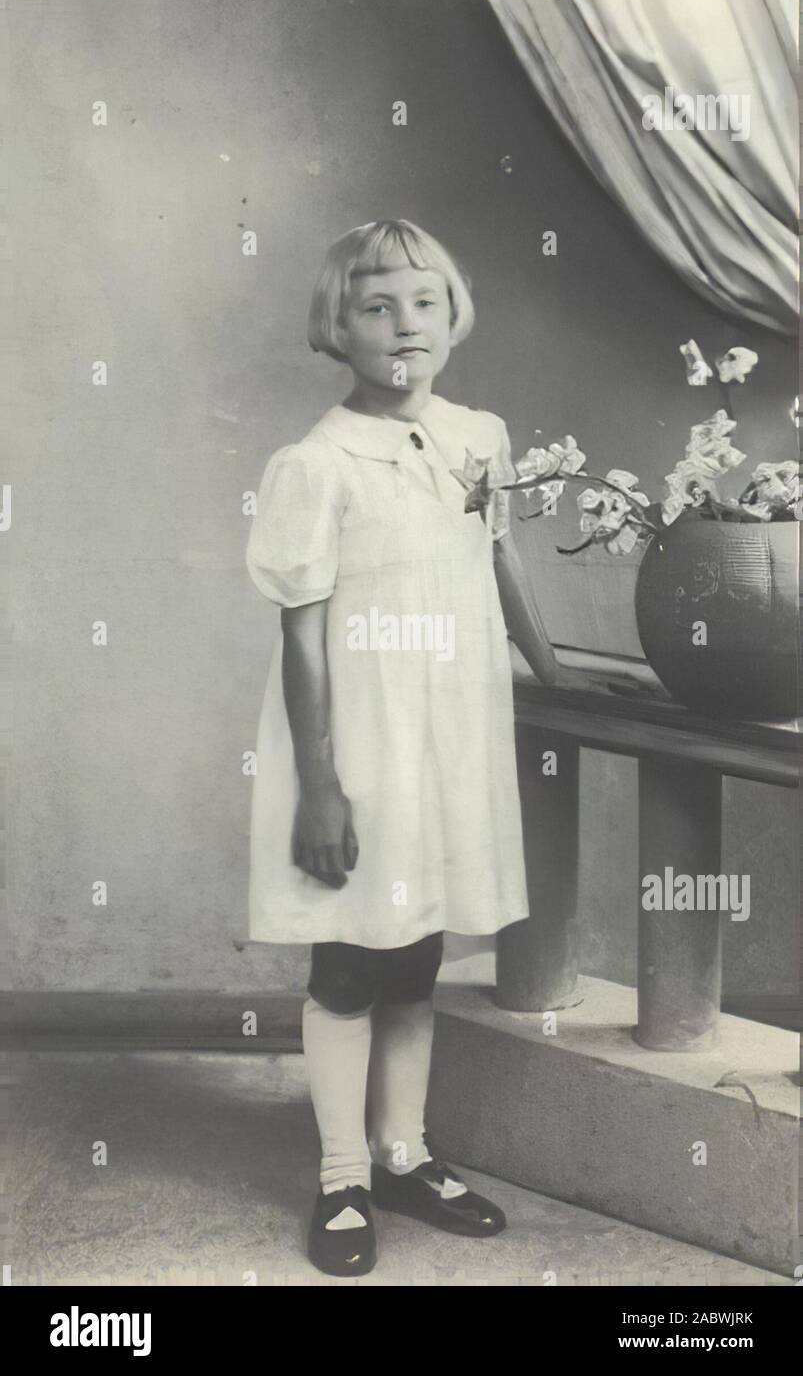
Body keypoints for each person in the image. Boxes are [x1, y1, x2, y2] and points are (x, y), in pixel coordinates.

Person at [245, 218, 561, 1277]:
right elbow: (299, 637)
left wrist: (557, 672)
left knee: (417, 949)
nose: (401, 324)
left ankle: (401, 1151)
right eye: (375, 306)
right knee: (347, 957)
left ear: (450, 315)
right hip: (358, 749)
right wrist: (320, 786)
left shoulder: (479, 435)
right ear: (338, 327)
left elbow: (501, 563)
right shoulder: (313, 465)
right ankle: (340, 1175)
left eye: (421, 302)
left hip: (448, 741)